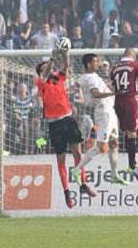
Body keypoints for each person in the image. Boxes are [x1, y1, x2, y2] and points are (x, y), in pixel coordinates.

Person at [35, 48, 96, 208]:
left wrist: (65, 52)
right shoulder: (40, 81)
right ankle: (67, 193)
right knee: (61, 160)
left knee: (78, 153)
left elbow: (66, 65)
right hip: (54, 124)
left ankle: (83, 184)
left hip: (68, 119)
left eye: (47, 67)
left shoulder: (58, 77)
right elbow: (45, 71)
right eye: (43, 68)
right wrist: (52, 59)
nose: (47, 68)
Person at [72, 53, 128, 186]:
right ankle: (76, 170)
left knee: (114, 143)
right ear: (89, 64)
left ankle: (114, 175)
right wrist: (114, 93)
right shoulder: (91, 78)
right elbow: (95, 94)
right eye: (95, 62)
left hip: (110, 111)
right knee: (102, 147)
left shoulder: (92, 76)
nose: (98, 64)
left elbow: (78, 83)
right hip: (103, 113)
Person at [110, 48, 138, 179]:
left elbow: (113, 87)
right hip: (129, 101)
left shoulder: (115, 68)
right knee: (132, 133)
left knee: (121, 133)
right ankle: (132, 166)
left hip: (117, 101)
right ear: (133, 55)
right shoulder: (135, 65)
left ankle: (125, 165)